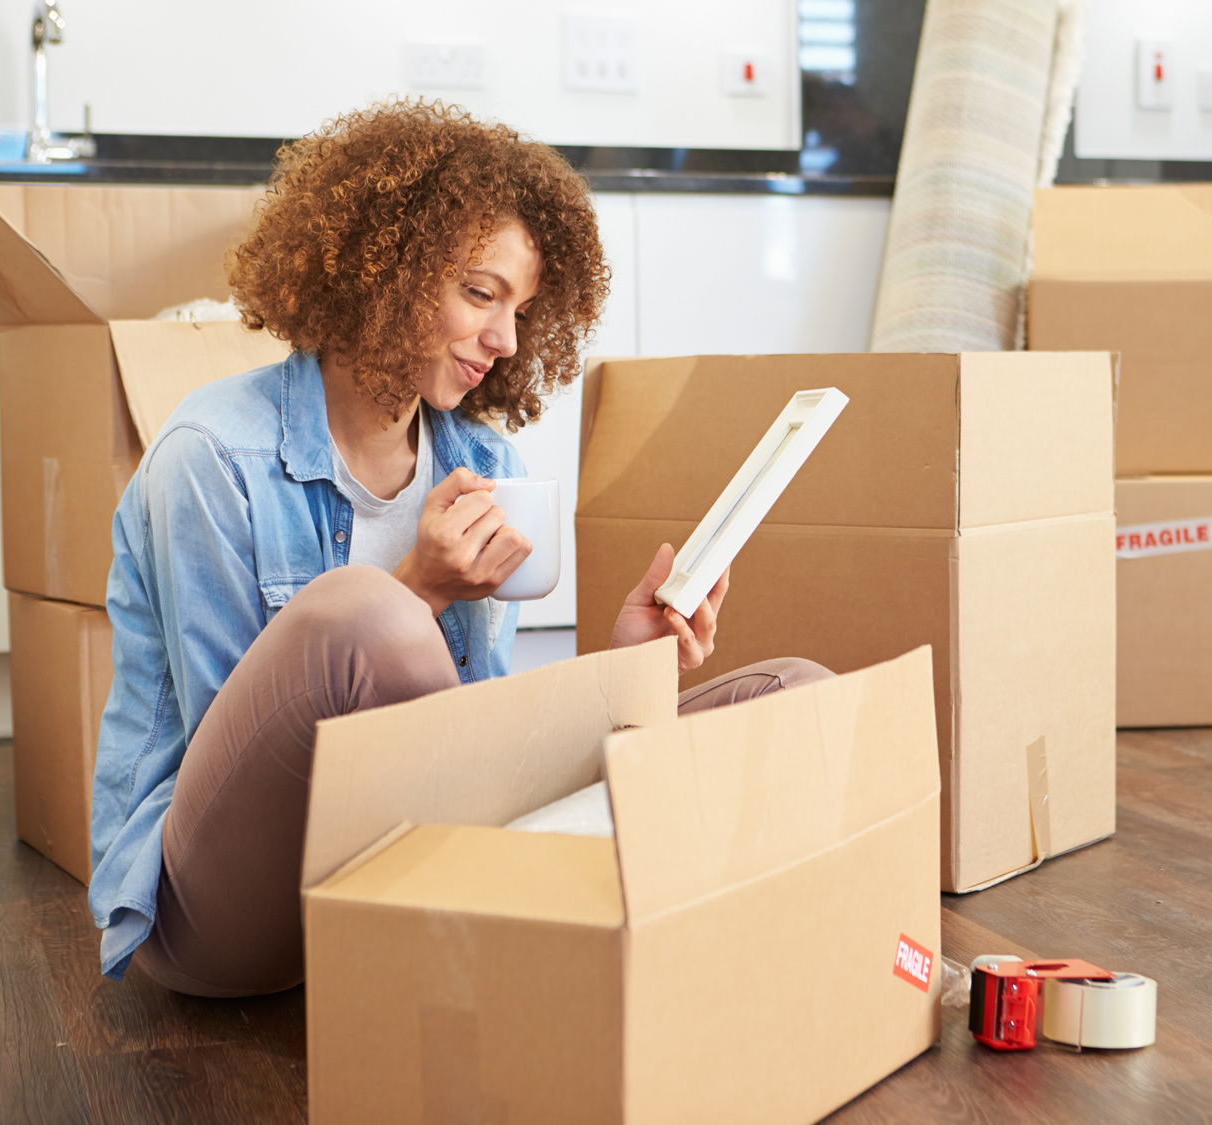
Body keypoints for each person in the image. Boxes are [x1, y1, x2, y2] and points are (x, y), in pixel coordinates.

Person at [87, 101, 831, 998]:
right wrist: (417, 591)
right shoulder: (211, 457)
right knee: (363, 615)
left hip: (416, 869)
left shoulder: (486, 465)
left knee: (792, 695)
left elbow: (474, 747)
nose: (506, 340)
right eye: (481, 293)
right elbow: (237, 760)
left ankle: (648, 929)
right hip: (222, 908)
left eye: (520, 308)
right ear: (383, 271)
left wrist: (629, 670)